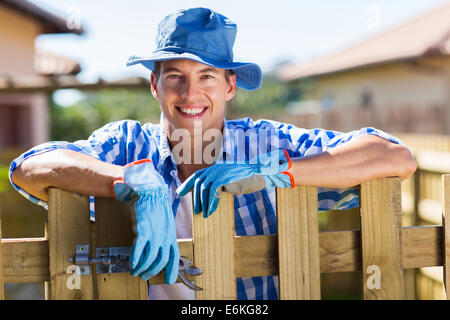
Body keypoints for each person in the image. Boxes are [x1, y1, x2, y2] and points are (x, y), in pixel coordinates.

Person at [9, 7, 417, 300]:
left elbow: (395, 157)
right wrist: (128, 181)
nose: (190, 94)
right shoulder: (126, 144)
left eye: (206, 76)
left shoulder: (263, 144)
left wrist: (274, 171)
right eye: (176, 77)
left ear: (230, 86)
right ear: (155, 85)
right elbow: (30, 168)